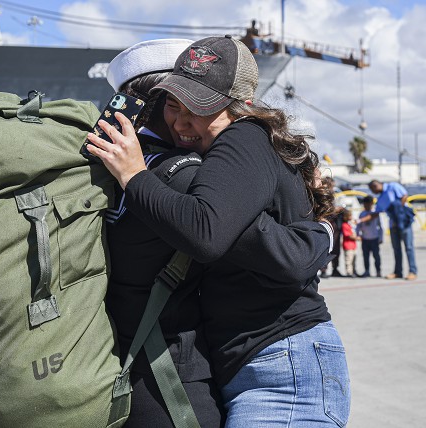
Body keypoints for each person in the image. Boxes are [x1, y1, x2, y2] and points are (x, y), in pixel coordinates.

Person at [87, 35, 350, 427]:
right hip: (254, 363)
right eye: (174, 105)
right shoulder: (208, 161)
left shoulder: (241, 139)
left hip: (283, 365)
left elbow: (210, 232)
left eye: (199, 108)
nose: (182, 121)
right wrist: (321, 236)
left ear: (240, 107)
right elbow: (277, 248)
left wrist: (135, 176)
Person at [358, 180, 416, 280]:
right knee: (396, 249)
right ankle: (398, 272)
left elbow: (404, 195)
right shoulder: (380, 200)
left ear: (375, 185)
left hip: (404, 222)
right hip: (393, 224)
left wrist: (400, 212)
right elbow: (375, 214)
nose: (373, 192)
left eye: (373, 189)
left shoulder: (393, 186)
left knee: (409, 247)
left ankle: (412, 271)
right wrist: (360, 220)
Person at [356, 196, 382, 277]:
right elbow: (358, 226)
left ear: (371, 204)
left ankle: (378, 271)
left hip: (374, 238)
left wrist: (381, 238)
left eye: (368, 204)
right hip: (365, 238)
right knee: (365, 256)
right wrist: (358, 235)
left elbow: (380, 226)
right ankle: (367, 271)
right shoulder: (362, 214)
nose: (366, 206)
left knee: (376, 256)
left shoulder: (375, 213)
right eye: (365, 204)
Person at [341, 209, 358, 277]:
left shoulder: (350, 224)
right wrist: (357, 238)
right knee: (349, 260)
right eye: (350, 215)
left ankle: (354, 271)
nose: (351, 217)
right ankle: (349, 272)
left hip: (353, 246)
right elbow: (348, 235)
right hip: (348, 246)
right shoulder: (344, 225)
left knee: (354, 259)